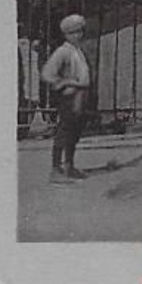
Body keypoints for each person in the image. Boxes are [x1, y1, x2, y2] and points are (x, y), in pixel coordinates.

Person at [40, 14, 92, 184]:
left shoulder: (78, 51)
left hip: (81, 95)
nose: (78, 35)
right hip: (70, 95)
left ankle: (69, 165)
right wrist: (65, 82)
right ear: (66, 34)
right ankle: (55, 169)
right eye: (73, 32)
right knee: (64, 130)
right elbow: (47, 73)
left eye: (80, 31)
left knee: (74, 131)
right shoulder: (63, 51)